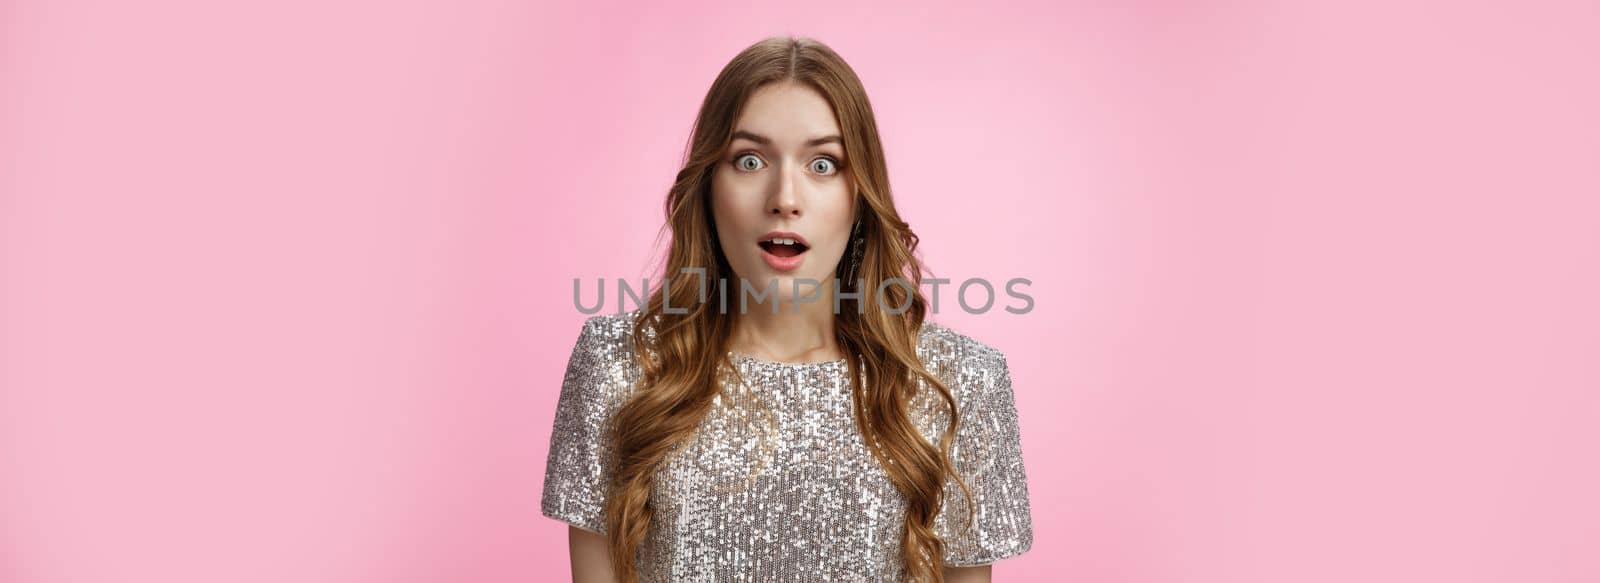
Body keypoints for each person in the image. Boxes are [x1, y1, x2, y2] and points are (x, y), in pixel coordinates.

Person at [541, 36, 1032, 583]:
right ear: (708, 185)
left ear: (860, 193)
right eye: (749, 160)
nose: (785, 197)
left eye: (823, 164)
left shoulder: (957, 382)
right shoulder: (620, 366)